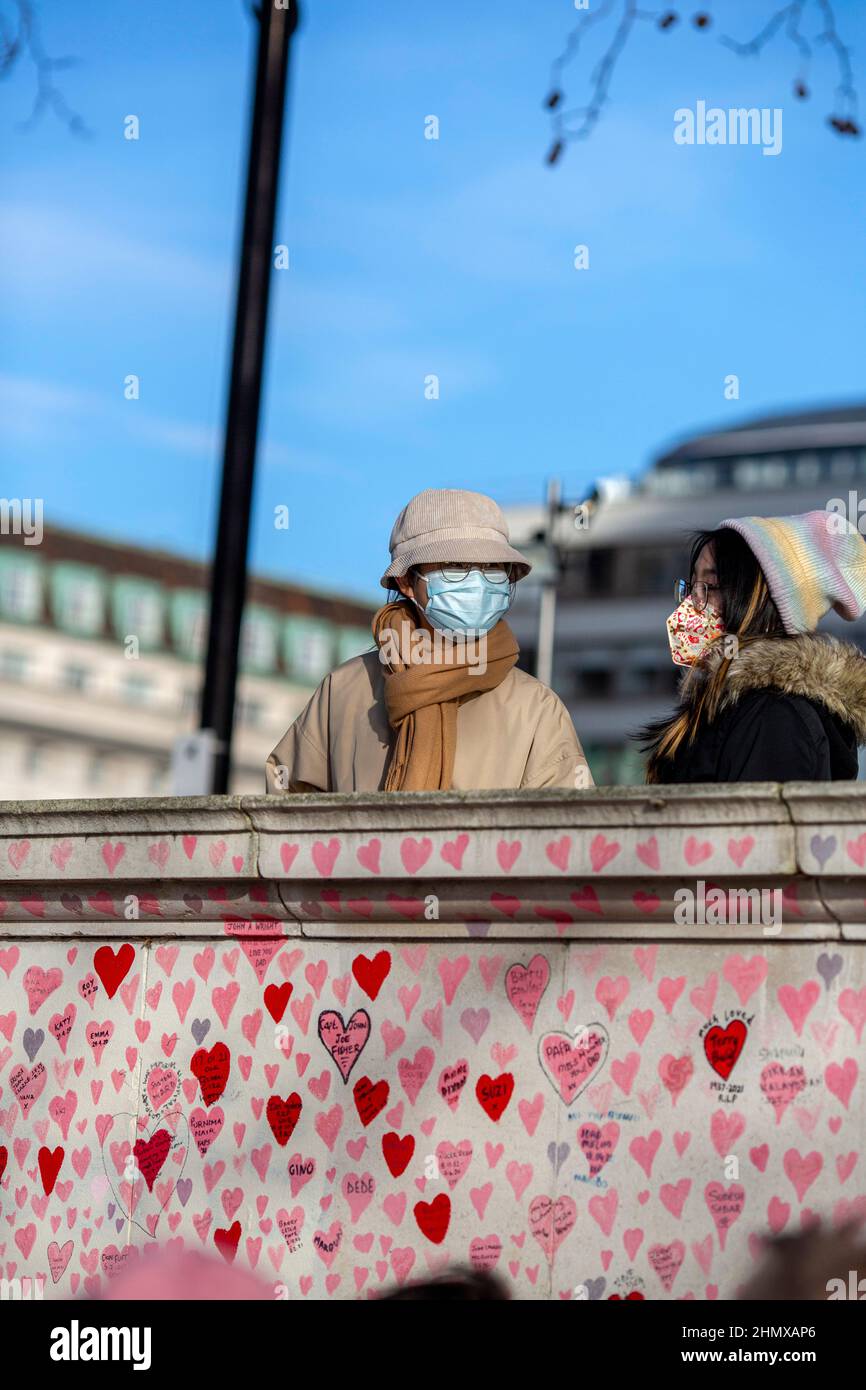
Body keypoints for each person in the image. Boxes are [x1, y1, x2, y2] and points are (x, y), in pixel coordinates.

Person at [266, 488, 592, 793]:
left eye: (493, 567)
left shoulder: (536, 708)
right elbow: (285, 816)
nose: (477, 583)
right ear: (406, 581)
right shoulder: (342, 692)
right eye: (457, 566)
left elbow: (563, 836)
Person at [639, 511, 866, 783]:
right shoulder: (733, 708)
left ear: (765, 608)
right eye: (692, 586)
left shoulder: (775, 718)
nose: (692, 602)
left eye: (710, 586)